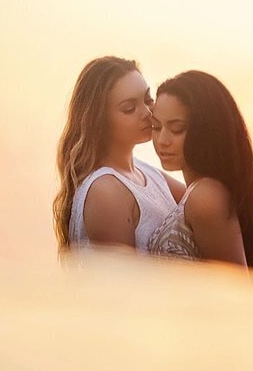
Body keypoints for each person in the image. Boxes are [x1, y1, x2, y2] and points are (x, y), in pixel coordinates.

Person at [53, 56, 186, 259]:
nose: (146, 112)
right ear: (99, 120)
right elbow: (125, 289)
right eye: (129, 108)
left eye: (148, 99)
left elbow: (201, 203)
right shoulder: (106, 191)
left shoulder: (144, 172)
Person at [147, 70, 253, 278]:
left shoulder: (206, 196)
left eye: (177, 129)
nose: (162, 140)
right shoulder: (198, 192)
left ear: (207, 131)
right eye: (156, 127)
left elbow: (236, 294)